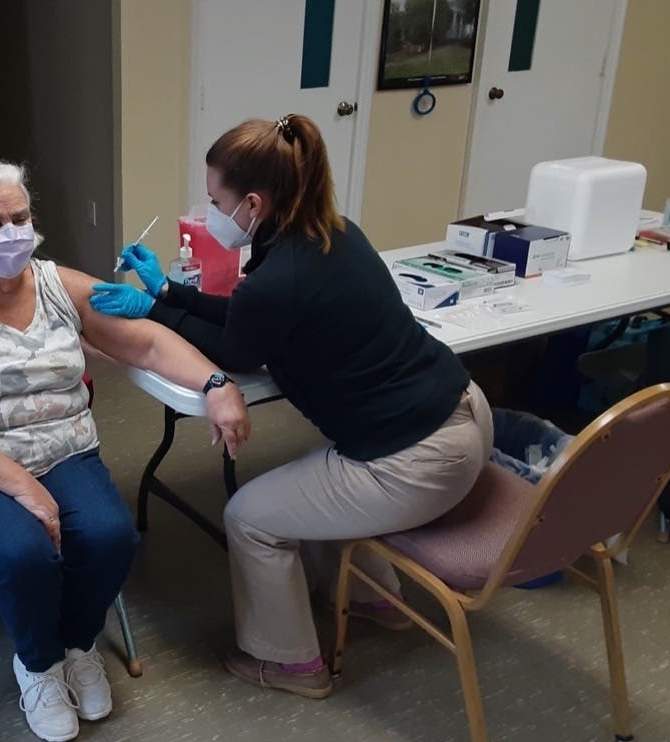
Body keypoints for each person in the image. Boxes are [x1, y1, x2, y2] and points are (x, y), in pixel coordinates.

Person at [90, 115, 493, 699]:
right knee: (319, 473)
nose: (211, 214)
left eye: (216, 202)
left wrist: (151, 311)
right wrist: (167, 292)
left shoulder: (279, 276)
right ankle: (372, 597)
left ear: (253, 204)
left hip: (419, 460)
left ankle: (289, 663)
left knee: (249, 517)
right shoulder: (335, 233)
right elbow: (252, 316)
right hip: (465, 413)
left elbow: (237, 347)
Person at [0, 161, 250, 742]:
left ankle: (77, 644)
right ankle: (37, 665)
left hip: (63, 450)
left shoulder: (56, 284)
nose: (11, 232)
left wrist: (216, 384)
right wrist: (26, 490)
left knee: (111, 538)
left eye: (19, 217)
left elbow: (146, 344)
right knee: (23, 554)